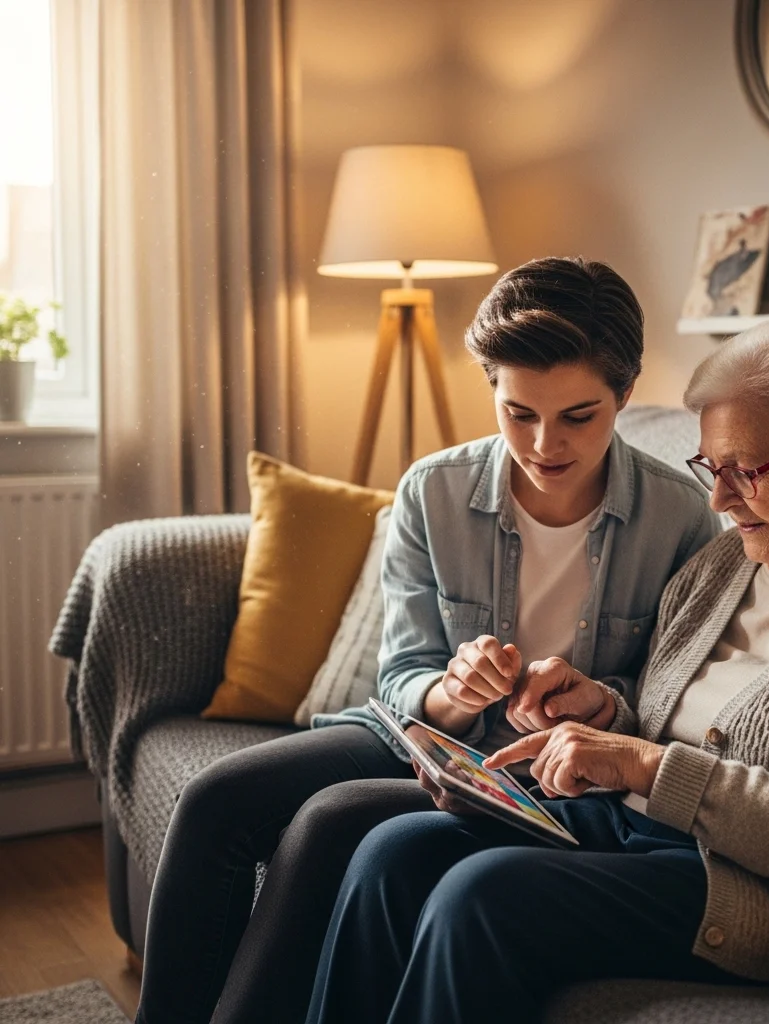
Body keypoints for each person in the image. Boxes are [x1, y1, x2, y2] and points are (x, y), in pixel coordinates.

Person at [305, 313, 769, 1024]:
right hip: (624, 829)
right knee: (392, 852)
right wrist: (599, 713)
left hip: (745, 886)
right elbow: (655, 717)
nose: (718, 499)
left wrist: (642, 765)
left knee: (483, 896)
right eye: (711, 467)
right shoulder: (725, 563)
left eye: (745, 471)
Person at [133, 257, 719, 1024]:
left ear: (626, 395)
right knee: (217, 800)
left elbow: (675, 696)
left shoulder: (682, 517)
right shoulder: (431, 491)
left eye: (578, 416)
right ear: (492, 391)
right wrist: (451, 691)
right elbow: (404, 670)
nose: (544, 445)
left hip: (551, 774)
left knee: (330, 823)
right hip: (420, 738)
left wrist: (601, 702)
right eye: (519, 413)